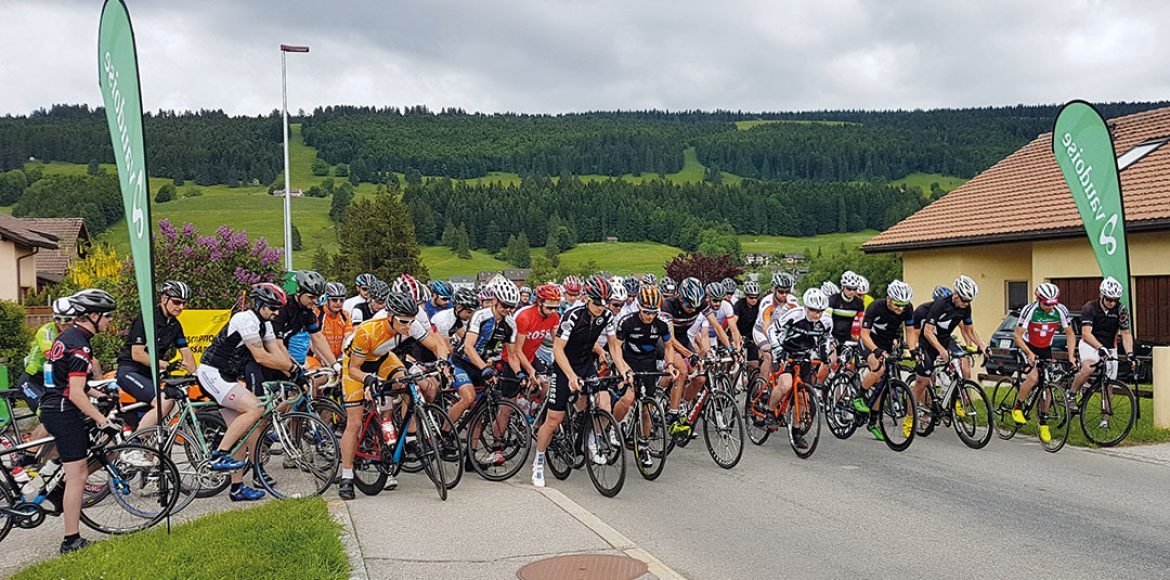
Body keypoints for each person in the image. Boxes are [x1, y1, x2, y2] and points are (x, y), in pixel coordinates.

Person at [196, 283, 296, 502]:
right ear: (259, 304)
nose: (276, 313)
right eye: (272, 308)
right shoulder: (244, 319)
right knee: (256, 408)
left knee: (241, 434)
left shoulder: (264, 324)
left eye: (278, 308)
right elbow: (261, 357)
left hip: (227, 377)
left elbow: (277, 352)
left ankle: (237, 488)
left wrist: (297, 372)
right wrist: (289, 369)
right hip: (212, 372)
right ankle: (220, 455)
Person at [40, 289, 120, 554]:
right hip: (63, 410)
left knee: (72, 465)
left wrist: (100, 393)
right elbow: (74, 393)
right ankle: (71, 539)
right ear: (92, 315)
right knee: (79, 475)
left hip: (53, 406)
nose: (110, 320)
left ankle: (48, 489)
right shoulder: (81, 345)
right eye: (107, 315)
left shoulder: (67, 336)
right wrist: (102, 420)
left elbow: (74, 384)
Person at [336, 291, 420, 500]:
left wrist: (443, 361)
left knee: (409, 383)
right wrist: (367, 379)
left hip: (382, 359)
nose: (409, 326)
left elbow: (433, 342)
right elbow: (355, 368)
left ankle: (408, 437)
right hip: (355, 366)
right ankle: (346, 476)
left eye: (412, 321)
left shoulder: (409, 324)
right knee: (354, 423)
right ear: (390, 316)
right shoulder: (368, 331)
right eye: (404, 322)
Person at [532, 275, 613, 488]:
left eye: (604, 305)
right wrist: (570, 376)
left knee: (604, 403)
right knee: (554, 419)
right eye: (597, 304)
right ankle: (538, 461)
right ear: (587, 298)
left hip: (586, 364)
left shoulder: (607, 315)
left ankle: (591, 441)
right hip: (564, 365)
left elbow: (615, 347)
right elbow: (557, 349)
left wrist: (624, 370)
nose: (600, 309)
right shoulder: (572, 316)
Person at [115, 280, 197, 431]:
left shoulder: (174, 325)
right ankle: (138, 445)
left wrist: (194, 373)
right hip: (130, 370)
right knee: (163, 402)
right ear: (164, 299)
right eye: (177, 302)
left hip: (150, 375)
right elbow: (137, 354)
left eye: (184, 303)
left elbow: (186, 352)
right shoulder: (146, 319)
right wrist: (166, 365)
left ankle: (148, 450)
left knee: (160, 425)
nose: (181, 307)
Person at [457, 280, 522, 466]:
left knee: (480, 412)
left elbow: (512, 354)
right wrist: (484, 368)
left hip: (484, 366)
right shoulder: (480, 316)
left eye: (511, 307)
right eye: (504, 305)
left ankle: (471, 452)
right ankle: (445, 434)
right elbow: (469, 347)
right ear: (495, 301)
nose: (507, 310)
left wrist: (519, 374)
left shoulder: (510, 324)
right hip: (464, 362)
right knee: (468, 399)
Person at [608, 285, 674, 467]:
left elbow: (668, 347)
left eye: (654, 312)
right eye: (646, 312)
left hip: (648, 364)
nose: (650, 316)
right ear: (639, 307)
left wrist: (669, 364)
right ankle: (613, 426)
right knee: (629, 398)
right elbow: (616, 349)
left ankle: (643, 446)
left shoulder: (660, 324)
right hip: (628, 361)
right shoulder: (627, 322)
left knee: (646, 408)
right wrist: (623, 369)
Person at [765, 288, 833, 450]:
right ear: (806, 308)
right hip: (786, 351)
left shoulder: (827, 321)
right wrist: (776, 348)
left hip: (805, 355)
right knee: (785, 385)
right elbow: (772, 330)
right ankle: (770, 411)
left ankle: (796, 432)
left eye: (820, 311)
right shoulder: (795, 315)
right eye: (813, 310)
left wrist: (824, 355)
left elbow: (825, 339)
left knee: (802, 397)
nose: (817, 314)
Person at [1011, 283, 1076, 442]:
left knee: (1048, 383)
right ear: (1039, 299)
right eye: (1047, 304)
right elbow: (1017, 336)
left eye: (1053, 304)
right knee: (1033, 378)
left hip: (1045, 347)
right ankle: (1017, 406)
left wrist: (1071, 356)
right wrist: (1029, 353)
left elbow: (1070, 334)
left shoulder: (1061, 310)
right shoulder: (1030, 310)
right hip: (1027, 345)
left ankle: (1043, 422)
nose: (1050, 307)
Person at [855, 280, 916, 440]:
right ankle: (859, 396)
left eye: (903, 305)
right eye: (897, 304)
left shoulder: (907, 309)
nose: (900, 309)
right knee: (880, 369)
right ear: (888, 298)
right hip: (869, 342)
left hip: (887, 344)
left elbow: (910, 331)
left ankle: (873, 422)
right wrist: (876, 350)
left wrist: (913, 351)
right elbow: (864, 334)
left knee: (883, 385)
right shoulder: (876, 307)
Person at [1069, 277, 1135, 408]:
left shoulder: (1121, 310)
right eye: (1109, 299)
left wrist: (1130, 354)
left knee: (1108, 383)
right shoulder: (1090, 307)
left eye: (1115, 300)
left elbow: (1126, 334)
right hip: (1090, 343)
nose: (1112, 303)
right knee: (1088, 367)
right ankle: (1071, 395)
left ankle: (1104, 420)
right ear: (1101, 295)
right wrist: (1100, 347)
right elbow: (1086, 333)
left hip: (1110, 345)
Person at [921, 275, 986, 383]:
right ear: (956, 294)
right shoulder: (940, 305)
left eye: (969, 301)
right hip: (929, 339)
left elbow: (968, 330)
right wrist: (941, 350)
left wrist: (979, 344)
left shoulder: (965, 308)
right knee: (926, 380)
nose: (966, 304)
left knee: (964, 364)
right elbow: (927, 331)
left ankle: (964, 395)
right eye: (964, 300)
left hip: (945, 338)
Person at [506, 284, 562, 404]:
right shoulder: (524, 317)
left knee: (545, 385)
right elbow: (517, 350)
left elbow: (558, 343)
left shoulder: (554, 316)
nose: (553, 311)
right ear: (540, 303)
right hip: (512, 359)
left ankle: (527, 408)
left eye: (556, 308)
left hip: (530, 356)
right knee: (508, 406)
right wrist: (531, 371)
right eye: (550, 308)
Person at [752, 272, 797, 392]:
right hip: (762, 332)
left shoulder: (792, 301)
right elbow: (765, 326)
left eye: (787, 291)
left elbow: (798, 322)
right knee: (768, 356)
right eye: (781, 291)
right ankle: (762, 388)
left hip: (780, 332)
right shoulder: (767, 302)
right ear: (774, 289)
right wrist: (775, 344)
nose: (784, 295)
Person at [827, 271, 867, 349]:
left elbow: (862, 322)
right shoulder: (833, 299)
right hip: (832, 336)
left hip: (847, 338)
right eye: (849, 289)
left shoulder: (859, 303)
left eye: (854, 289)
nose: (852, 292)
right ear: (843, 287)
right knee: (832, 359)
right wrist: (829, 337)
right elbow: (826, 320)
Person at [734, 280, 762, 364]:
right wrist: (737, 336)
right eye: (751, 297)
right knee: (737, 361)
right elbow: (733, 322)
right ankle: (729, 374)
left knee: (754, 363)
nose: (754, 300)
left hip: (751, 336)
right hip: (738, 333)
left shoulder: (760, 305)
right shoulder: (739, 304)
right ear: (746, 296)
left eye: (756, 297)